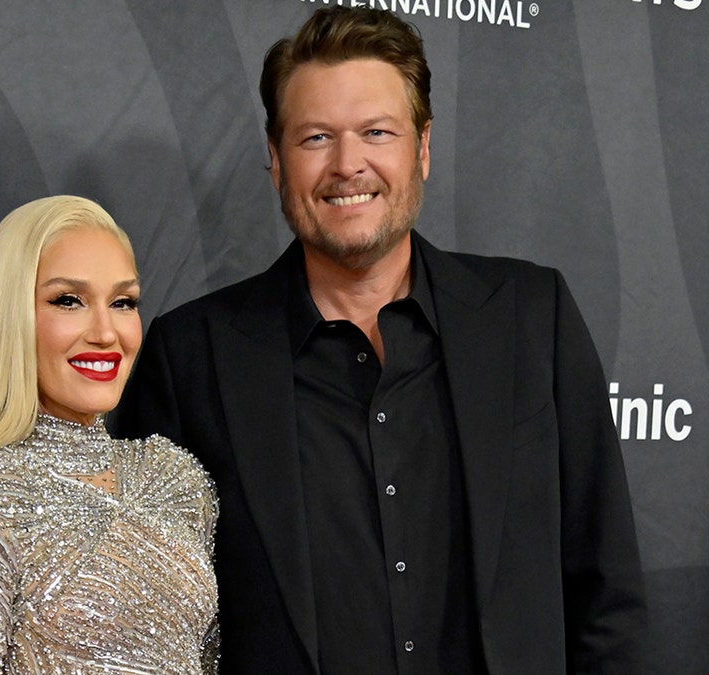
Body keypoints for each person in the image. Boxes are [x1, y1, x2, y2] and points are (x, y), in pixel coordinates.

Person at [111, 7, 645, 674]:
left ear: (421, 147)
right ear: (276, 161)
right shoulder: (191, 356)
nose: (347, 164)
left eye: (376, 132)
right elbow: (143, 620)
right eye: (315, 138)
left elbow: (606, 596)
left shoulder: (533, 320)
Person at [0, 196, 219, 674]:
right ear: (12, 316)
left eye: (123, 302)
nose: (106, 332)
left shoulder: (175, 479)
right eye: (69, 301)